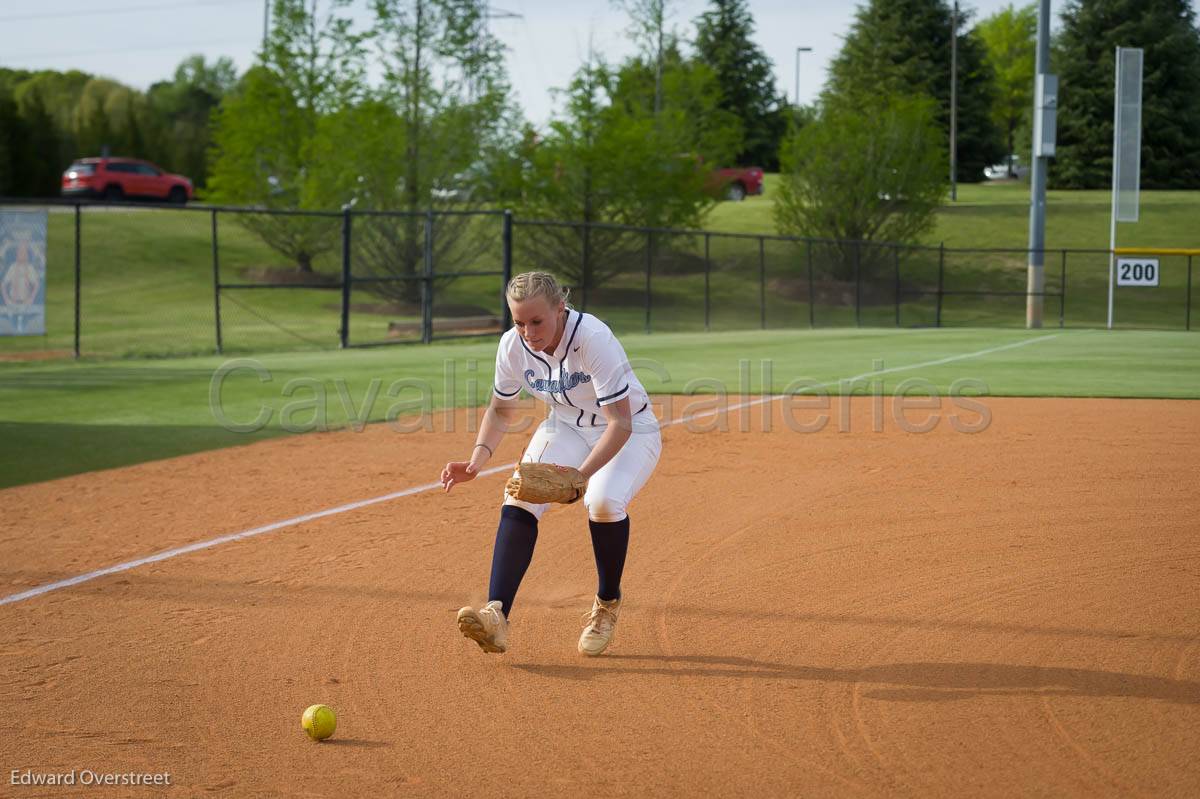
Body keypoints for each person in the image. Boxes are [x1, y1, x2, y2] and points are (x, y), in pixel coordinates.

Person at [440, 271, 661, 656]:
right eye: (519, 322)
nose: (528, 331)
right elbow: (500, 409)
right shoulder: (512, 346)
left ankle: (607, 604)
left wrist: (579, 477)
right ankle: (496, 615)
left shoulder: (592, 338)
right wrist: (476, 460)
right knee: (520, 495)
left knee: (603, 503)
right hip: (566, 427)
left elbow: (620, 422)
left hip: (629, 429)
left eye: (536, 320)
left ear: (560, 308)